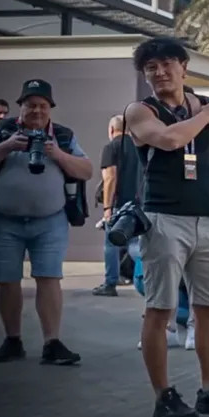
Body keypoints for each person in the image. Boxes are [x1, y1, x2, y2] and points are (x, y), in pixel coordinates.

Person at [125, 37, 209, 417]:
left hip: (208, 218)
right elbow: (169, 140)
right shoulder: (140, 110)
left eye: (167, 64)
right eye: (151, 67)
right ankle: (163, 396)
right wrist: (208, 114)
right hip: (162, 219)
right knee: (159, 310)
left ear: (184, 67)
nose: (159, 72)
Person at [0, 79, 91, 365]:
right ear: (20, 107)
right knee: (7, 280)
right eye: (30, 105)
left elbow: (86, 170)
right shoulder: (1, 131)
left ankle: (52, 342)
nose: (36, 111)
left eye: (42, 106)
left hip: (50, 220)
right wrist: (8, 146)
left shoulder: (62, 135)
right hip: (3, 220)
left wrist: (57, 154)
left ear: (50, 108)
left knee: (49, 278)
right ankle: (12, 340)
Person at [95, 114, 138, 297]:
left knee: (112, 244)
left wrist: (107, 208)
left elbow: (110, 178)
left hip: (119, 205)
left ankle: (110, 283)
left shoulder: (111, 147)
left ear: (111, 129)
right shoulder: (139, 147)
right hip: (139, 204)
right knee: (135, 243)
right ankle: (147, 275)